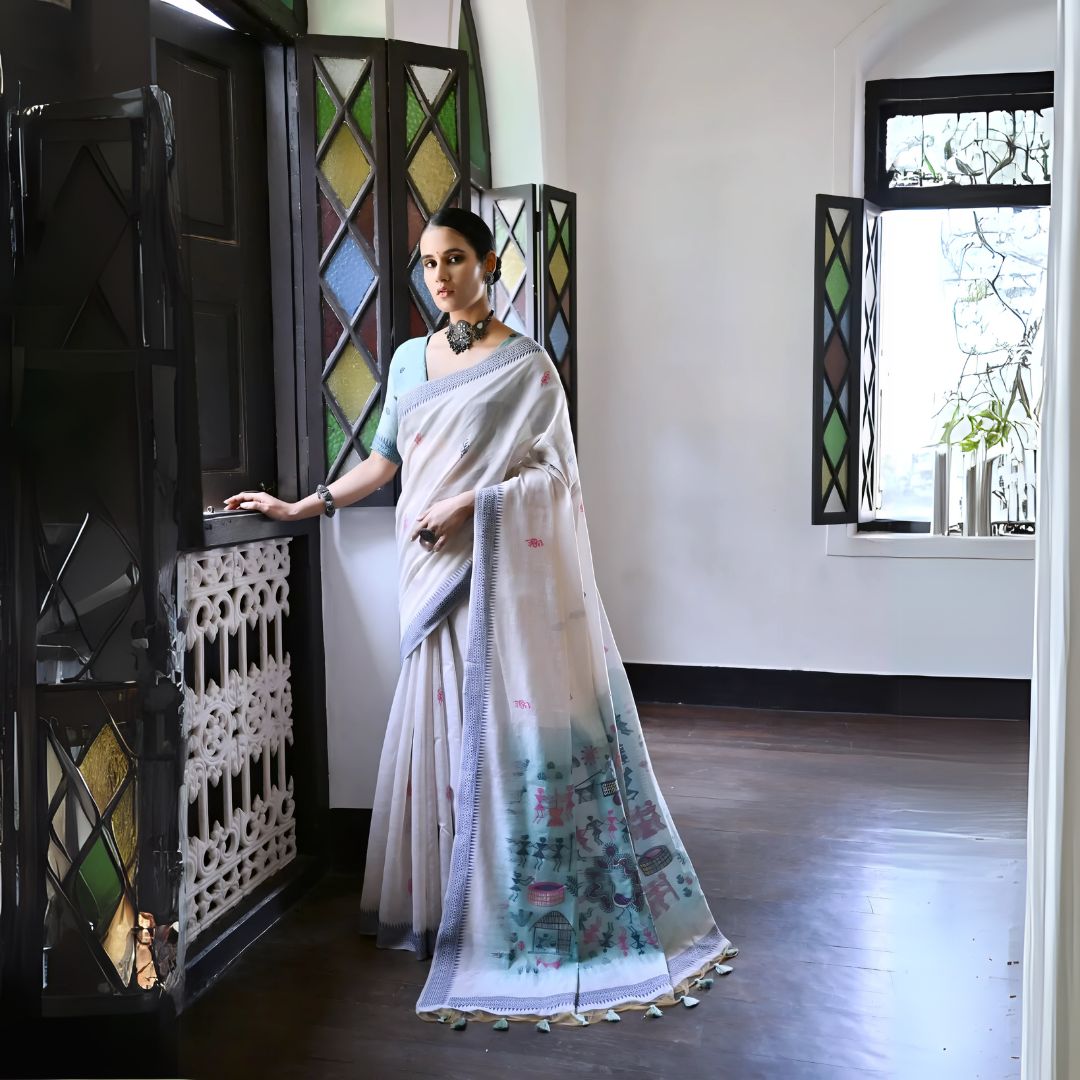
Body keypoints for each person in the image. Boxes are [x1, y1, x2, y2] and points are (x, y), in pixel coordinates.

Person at [225, 208, 736, 1026]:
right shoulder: (404, 360)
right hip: (426, 574)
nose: (440, 278)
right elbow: (386, 463)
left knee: (498, 736)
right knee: (438, 735)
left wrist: (471, 504)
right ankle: (443, 909)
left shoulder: (528, 367)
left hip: (491, 570)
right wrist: (301, 504)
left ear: (489, 263)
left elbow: (555, 482)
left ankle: (511, 908)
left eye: (455, 260)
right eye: (427, 265)